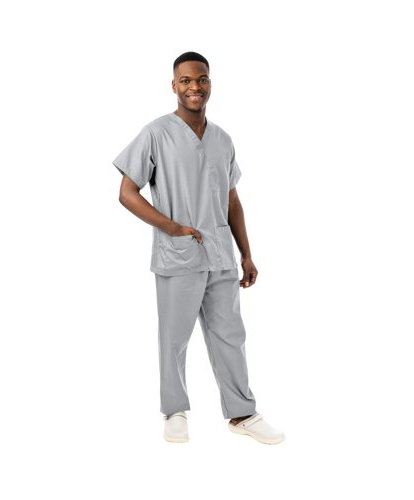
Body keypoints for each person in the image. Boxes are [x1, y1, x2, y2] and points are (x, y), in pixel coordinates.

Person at [112, 51, 285, 445]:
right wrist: (172, 227)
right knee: (174, 338)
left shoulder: (222, 139)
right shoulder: (156, 133)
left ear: (210, 84)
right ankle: (175, 411)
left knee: (230, 335)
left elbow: (231, 199)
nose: (195, 87)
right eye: (186, 80)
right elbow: (127, 193)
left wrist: (246, 252)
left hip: (221, 255)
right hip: (179, 254)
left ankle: (242, 413)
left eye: (201, 79)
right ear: (174, 86)